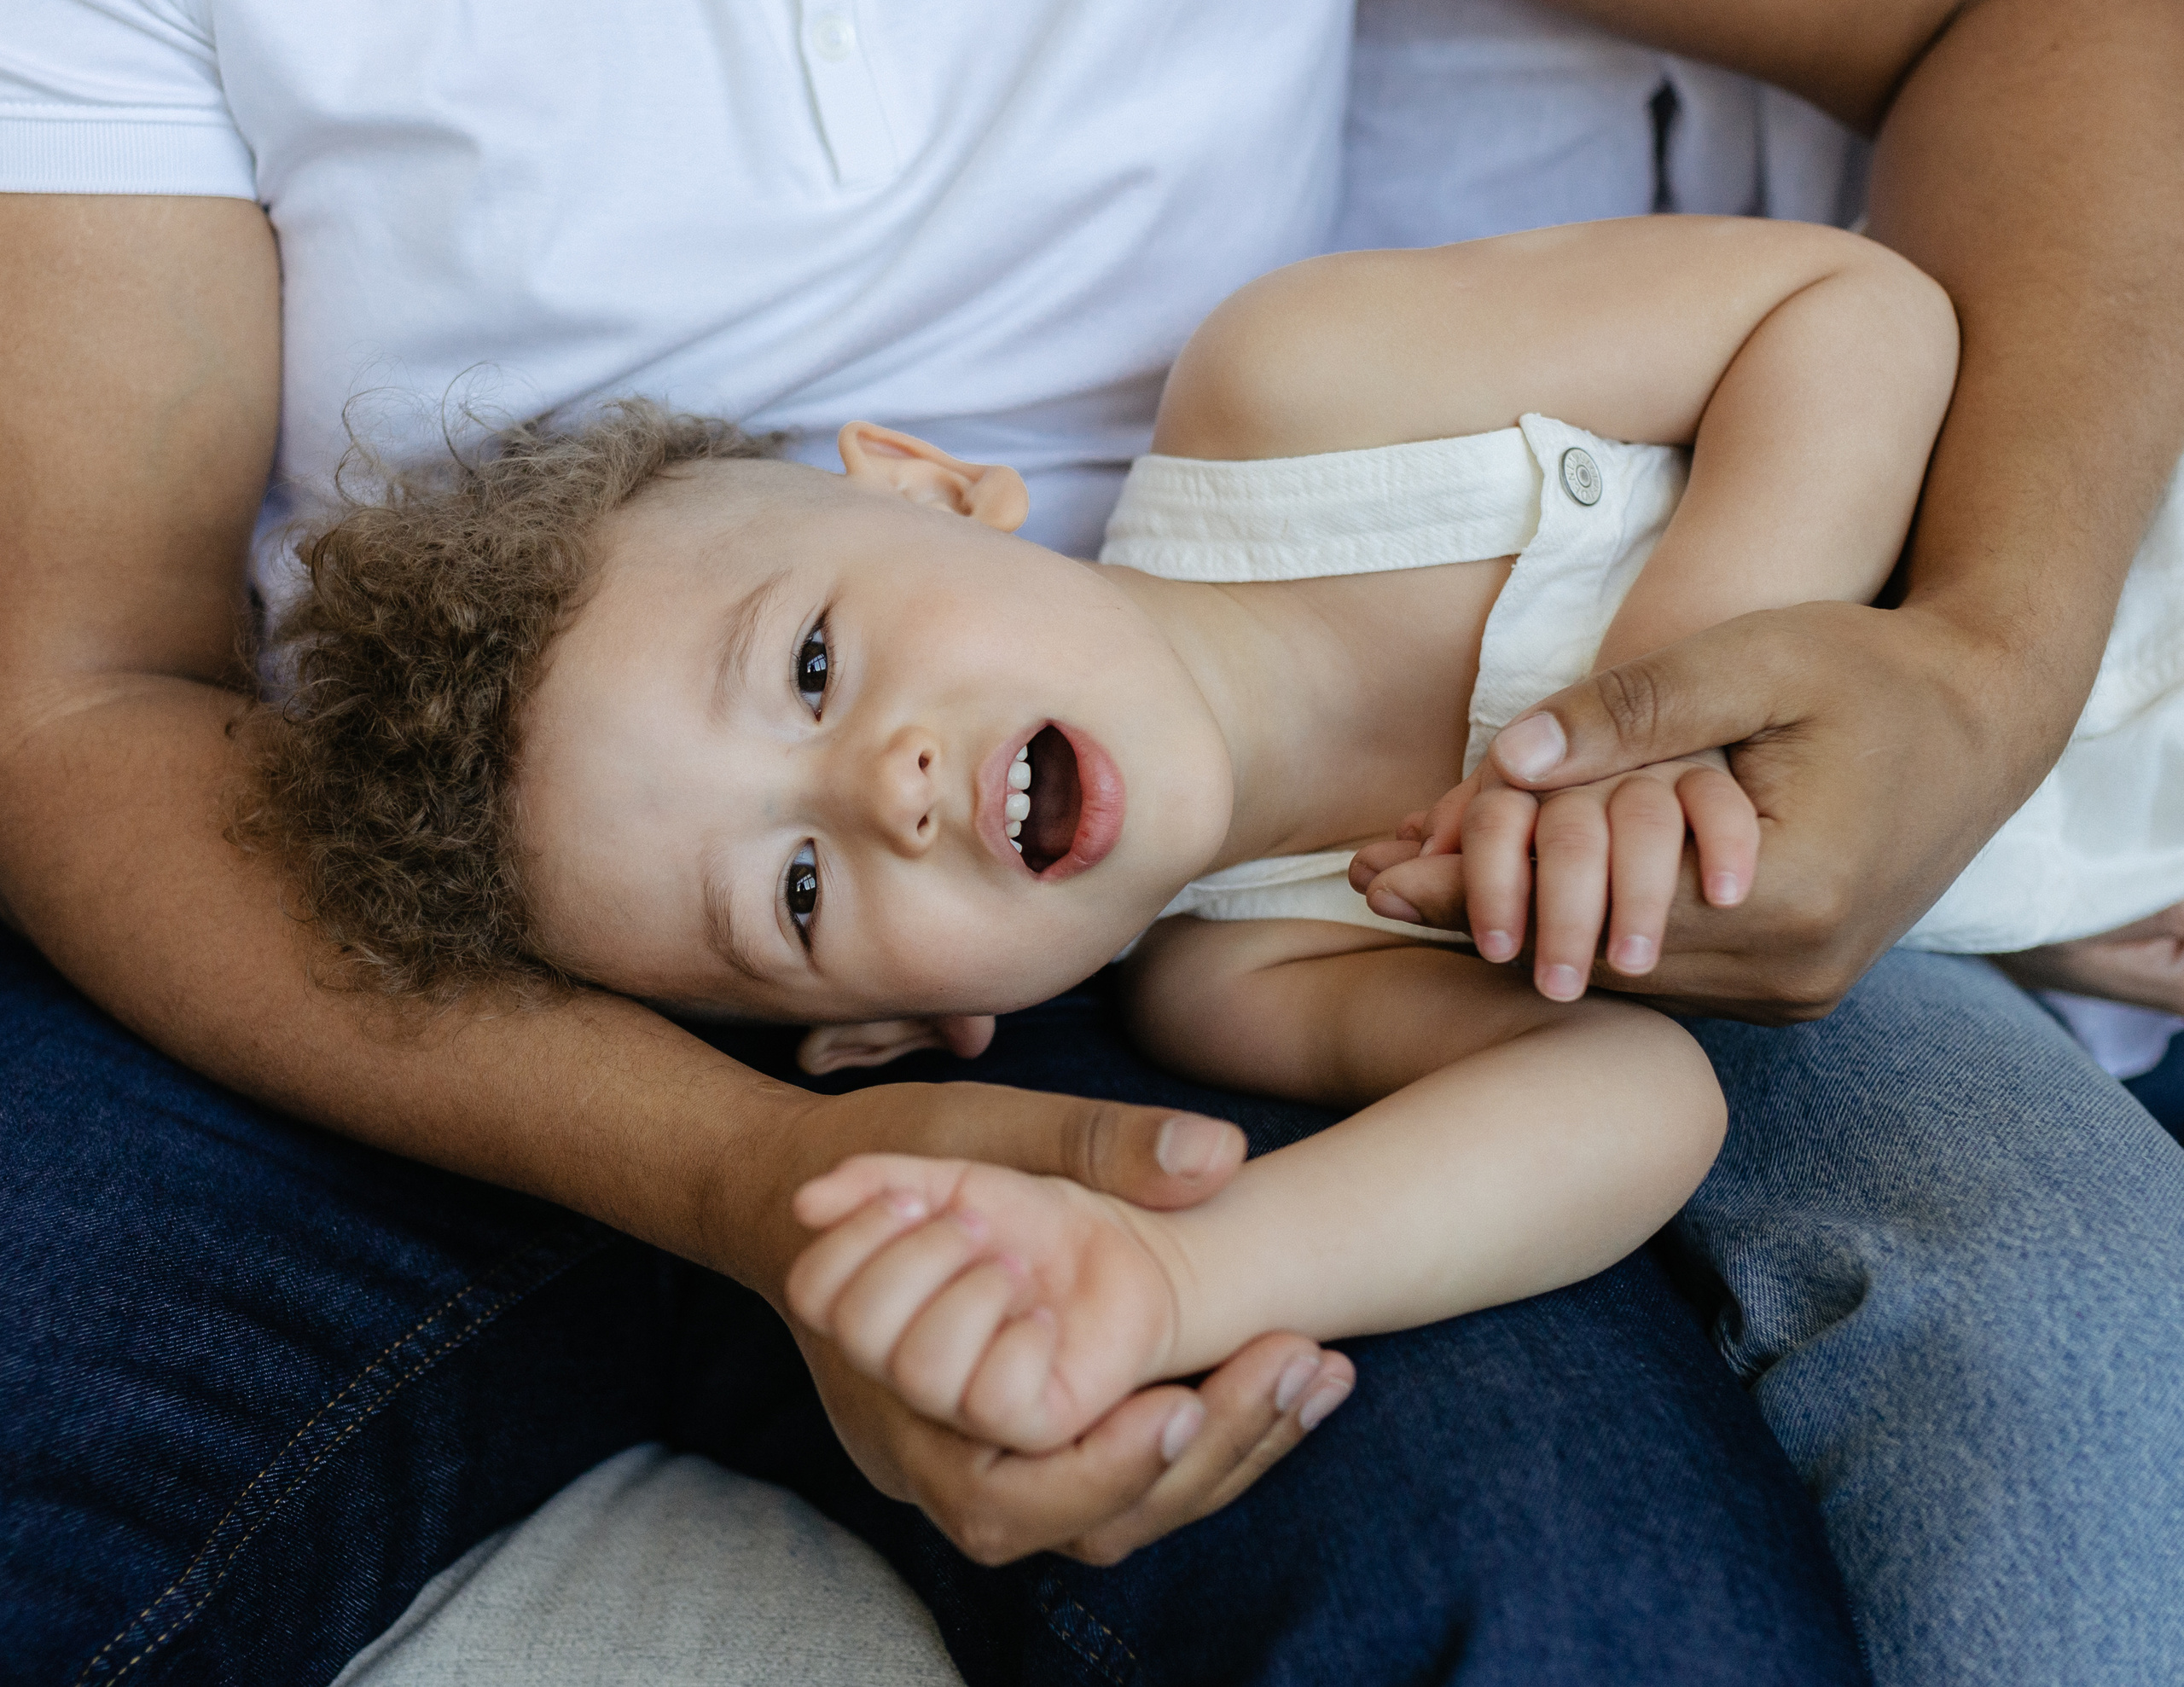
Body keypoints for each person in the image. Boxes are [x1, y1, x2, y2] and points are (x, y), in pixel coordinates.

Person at [2, 2, 2181, 1684]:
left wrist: (1789, 678)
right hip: (394, 918)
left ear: (932, 484)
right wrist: (1171, 1272)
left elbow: (1854, 304)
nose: (884, 787)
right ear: (902, 1023)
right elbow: (1628, 1091)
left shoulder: (1299, 385)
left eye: (821, 669)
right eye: (805, 885)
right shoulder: (1243, 968)